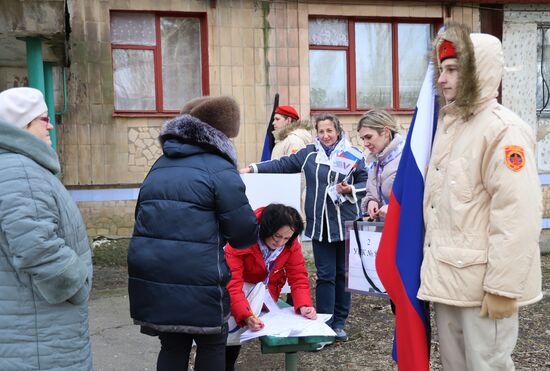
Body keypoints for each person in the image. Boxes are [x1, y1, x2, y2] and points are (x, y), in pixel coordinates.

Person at [417, 23, 542, 370]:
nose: (442, 79)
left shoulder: (503, 130)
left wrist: (503, 287)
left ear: (478, 71)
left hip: (485, 289)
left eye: (453, 70)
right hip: (448, 282)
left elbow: (518, 215)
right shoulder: (449, 126)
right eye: (441, 69)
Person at [128, 96, 259, 371]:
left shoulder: (160, 165)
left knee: (172, 346)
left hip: (155, 275)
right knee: (211, 343)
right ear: (222, 135)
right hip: (201, 276)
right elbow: (243, 235)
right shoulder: (220, 169)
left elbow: (142, 217)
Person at [241, 113, 368, 342]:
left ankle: (339, 322)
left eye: (330, 131)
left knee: (344, 275)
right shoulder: (309, 153)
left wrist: (351, 190)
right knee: (325, 275)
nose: (326, 136)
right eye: (321, 131)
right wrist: (252, 169)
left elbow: (365, 182)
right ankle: (324, 324)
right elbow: (282, 164)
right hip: (320, 226)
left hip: (344, 223)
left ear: (338, 131)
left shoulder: (353, 154)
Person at [0, 87, 93, 370]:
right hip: (40, 334)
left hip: (35, 328)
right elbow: (37, 247)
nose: (50, 124)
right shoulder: (20, 170)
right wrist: (75, 285)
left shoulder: (18, 166)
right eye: (43, 118)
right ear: (22, 125)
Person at [224, 203, 316, 370]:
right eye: (276, 236)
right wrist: (245, 314)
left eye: (286, 238)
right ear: (266, 229)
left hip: (263, 297)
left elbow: (298, 276)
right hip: (235, 297)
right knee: (226, 344)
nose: (280, 242)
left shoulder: (291, 244)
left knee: (234, 343)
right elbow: (232, 283)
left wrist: (304, 305)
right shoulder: (243, 237)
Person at [357, 109, 404, 220]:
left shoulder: (407, 157)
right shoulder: (375, 160)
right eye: (362, 139)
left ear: (386, 132)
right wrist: (371, 201)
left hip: (404, 228)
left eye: (368, 137)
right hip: (384, 228)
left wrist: (394, 208)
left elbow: (417, 196)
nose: (365, 144)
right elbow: (372, 191)